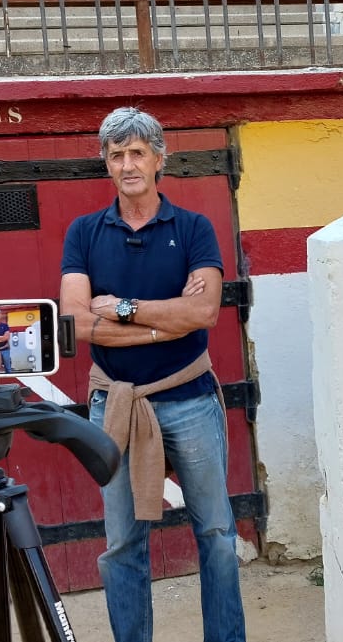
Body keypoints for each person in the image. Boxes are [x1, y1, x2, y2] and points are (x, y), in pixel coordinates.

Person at [61, 106, 245, 642]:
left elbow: (204, 314)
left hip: (188, 397)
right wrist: (165, 321)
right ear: (106, 164)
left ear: (159, 158)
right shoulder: (84, 232)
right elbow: (74, 320)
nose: (127, 164)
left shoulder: (192, 228)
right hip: (115, 402)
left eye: (137, 152)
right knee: (121, 543)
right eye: (116, 155)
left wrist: (118, 307)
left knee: (215, 530)